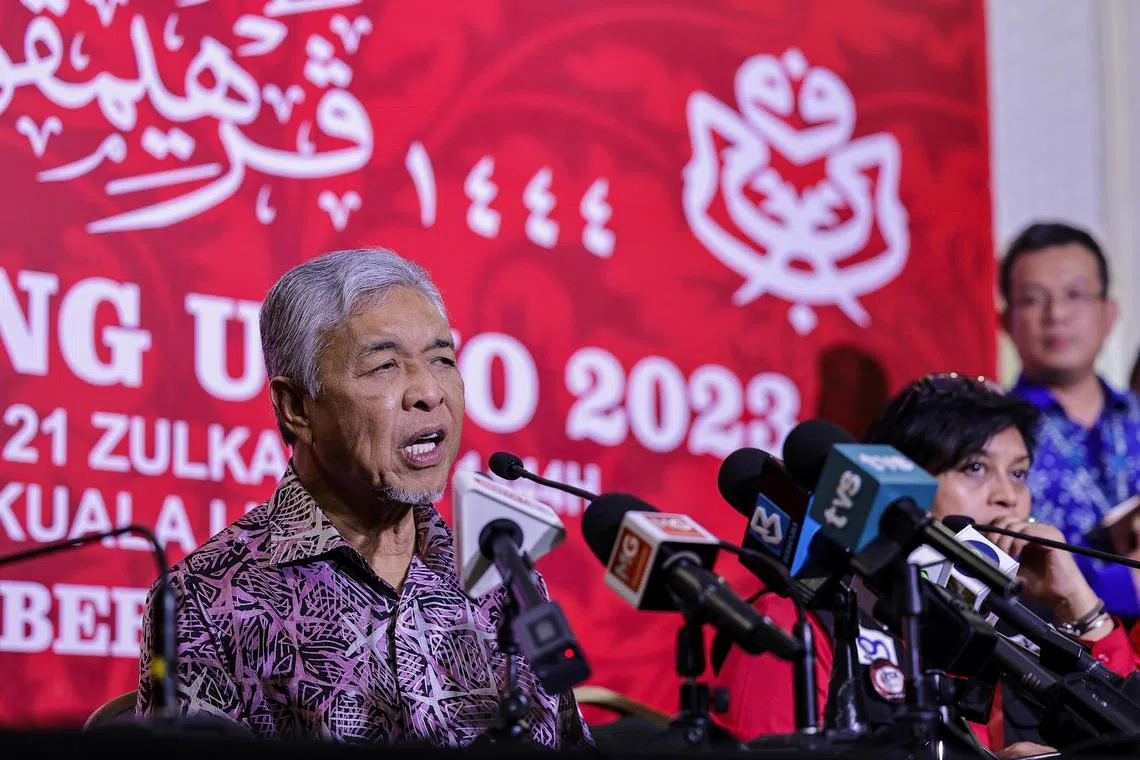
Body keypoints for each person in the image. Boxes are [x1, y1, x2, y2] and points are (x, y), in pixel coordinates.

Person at [135, 248, 591, 747]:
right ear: (296, 407)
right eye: (385, 366)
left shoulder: (503, 576)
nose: (428, 391)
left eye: (442, 359)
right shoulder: (206, 601)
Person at [711, 373, 1137, 758]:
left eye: (1020, 474)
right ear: (897, 484)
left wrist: (1078, 606)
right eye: (974, 468)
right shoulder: (801, 624)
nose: (1008, 497)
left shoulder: (1031, 624)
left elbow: (1127, 736)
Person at [1001, 221, 1140, 618]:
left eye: (1075, 295)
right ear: (1006, 320)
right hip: (1056, 665)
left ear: (1109, 314)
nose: (1056, 314)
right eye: (1032, 300)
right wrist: (1123, 588)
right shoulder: (991, 440)